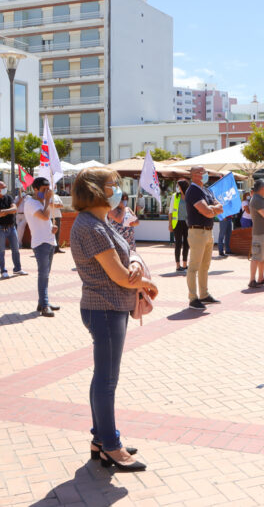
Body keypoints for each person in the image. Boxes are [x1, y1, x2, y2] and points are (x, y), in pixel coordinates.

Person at [70, 167, 158, 472]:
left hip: (108, 307)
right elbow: (120, 276)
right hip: (104, 308)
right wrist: (146, 283)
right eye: (113, 185)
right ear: (95, 190)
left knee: (104, 378)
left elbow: (126, 254)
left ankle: (101, 439)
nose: (118, 189)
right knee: (107, 380)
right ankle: (110, 445)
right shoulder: (90, 227)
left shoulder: (99, 222)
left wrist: (134, 264)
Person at [185, 166, 224, 310]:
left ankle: (204, 294)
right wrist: (213, 209)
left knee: (205, 266)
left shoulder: (206, 190)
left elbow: (218, 206)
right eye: (203, 172)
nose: (206, 174)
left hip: (208, 231)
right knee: (194, 267)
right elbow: (207, 211)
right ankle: (193, 298)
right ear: (195, 175)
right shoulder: (193, 191)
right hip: (197, 232)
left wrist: (212, 209)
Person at [24, 177, 59, 317]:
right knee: (43, 275)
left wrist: (52, 227)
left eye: (48, 190)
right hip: (40, 243)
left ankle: (43, 302)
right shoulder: (31, 203)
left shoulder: (41, 202)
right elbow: (44, 216)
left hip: (49, 241)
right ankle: (44, 305)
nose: (46, 192)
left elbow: (45, 221)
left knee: (46, 275)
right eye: (44, 190)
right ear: (35, 189)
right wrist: (48, 201)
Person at [0, 181, 27, 279]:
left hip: (11, 227)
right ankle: (3, 270)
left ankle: (17, 268)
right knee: (1, 251)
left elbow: (15, 209)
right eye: (2, 187)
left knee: (16, 249)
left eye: (5, 187)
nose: (4, 189)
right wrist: (8, 211)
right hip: (0, 228)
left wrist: (3, 211)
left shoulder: (9, 197)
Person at [168, 179, 189, 271]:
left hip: (187, 223)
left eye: (178, 186)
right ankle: (177, 265)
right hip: (177, 223)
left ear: (182, 187)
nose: (177, 187)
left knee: (187, 244)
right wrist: (170, 224)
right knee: (178, 244)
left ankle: (184, 264)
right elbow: (170, 212)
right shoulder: (175, 196)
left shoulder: (189, 196)